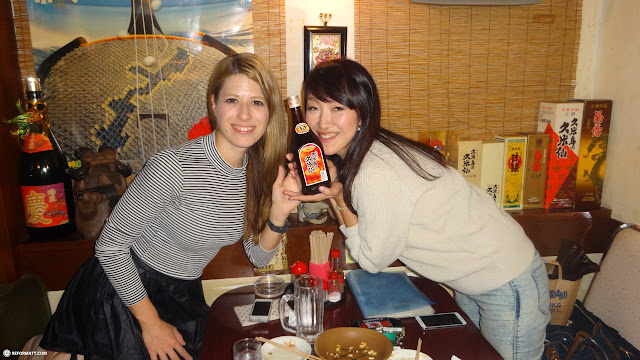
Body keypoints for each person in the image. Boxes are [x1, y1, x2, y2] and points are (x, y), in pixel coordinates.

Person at [285, 58, 550, 360]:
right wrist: (335, 191)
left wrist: (339, 200)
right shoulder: (370, 151)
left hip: (506, 280)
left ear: (362, 113)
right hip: (476, 278)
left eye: (337, 108)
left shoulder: (375, 168)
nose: (322, 122)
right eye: (314, 107)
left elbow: (373, 259)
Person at [40, 53, 300, 360]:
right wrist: (150, 324)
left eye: (256, 102)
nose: (245, 114)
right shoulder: (173, 166)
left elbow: (258, 254)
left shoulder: (256, 173)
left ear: (269, 111)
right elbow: (110, 247)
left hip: (183, 293)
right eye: (233, 100)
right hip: (125, 289)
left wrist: (279, 212)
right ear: (214, 105)